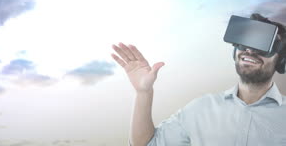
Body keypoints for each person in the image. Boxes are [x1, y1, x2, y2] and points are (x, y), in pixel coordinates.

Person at [111, 13, 286, 146]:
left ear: (282, 59)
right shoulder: (201, 108)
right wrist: (144, 93)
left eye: (264, 44)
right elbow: (147, 144)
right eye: (244, 42)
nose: (250, 50)